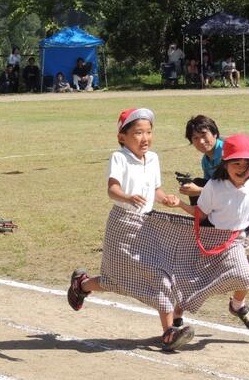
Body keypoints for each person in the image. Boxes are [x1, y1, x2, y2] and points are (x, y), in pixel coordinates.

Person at [66, 108, 193, 352]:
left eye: (148, 132)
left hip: (147, 224)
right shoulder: (119, 157)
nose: (145, 138)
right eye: (137, 133)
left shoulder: (153, 158)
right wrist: (126, 196)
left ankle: (168, 332)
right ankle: (81, 286)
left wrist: (166, 198)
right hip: (122, 224)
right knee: (117, 280)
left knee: (160, 274)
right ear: (122, 137)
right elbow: (112, 190)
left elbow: (155, 190)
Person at [170, 133, 249, 331]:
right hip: (211, 237)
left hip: (236, 239)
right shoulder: (214, 186)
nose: (242, 169)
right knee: (197, 281)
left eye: (247, 164)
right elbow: (200, 214)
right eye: (236, 163)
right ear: (225, 164)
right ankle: (177, 315)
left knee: (245, 275)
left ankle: (237, 305)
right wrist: (180, 205)